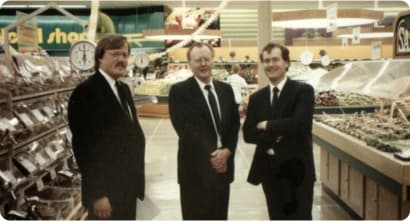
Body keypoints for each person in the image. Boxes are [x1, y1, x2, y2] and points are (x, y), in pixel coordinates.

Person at [68, 34, 145, 220]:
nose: (121, 59)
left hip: (127, 187)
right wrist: (97, 194)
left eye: (125, 55)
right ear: (100, 57)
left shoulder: (123, 89)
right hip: (106, 194)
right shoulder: (86, 92)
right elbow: (83, 148)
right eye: (115, 54)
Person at [243, 42, 316, 219]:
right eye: (266, 61)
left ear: (287, 63)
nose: (270, 64)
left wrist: (266, 125)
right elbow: (248, 133)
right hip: (269, 172)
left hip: (298, 171)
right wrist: (281, 130)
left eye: (275, 59)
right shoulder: (257, 98)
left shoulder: (303, 91)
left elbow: (299, 123)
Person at [168, 42, 240, 220]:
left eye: (206, 59)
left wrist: (227, 151)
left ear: (213, 61)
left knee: (220, 216)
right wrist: (214, 156)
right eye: (198, 60)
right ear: (190, 63)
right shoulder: (179, 92)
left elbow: (234, 124)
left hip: (223, 169)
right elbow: (185, 129)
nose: (203, 64)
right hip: (195, 171)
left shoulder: (226, 90)